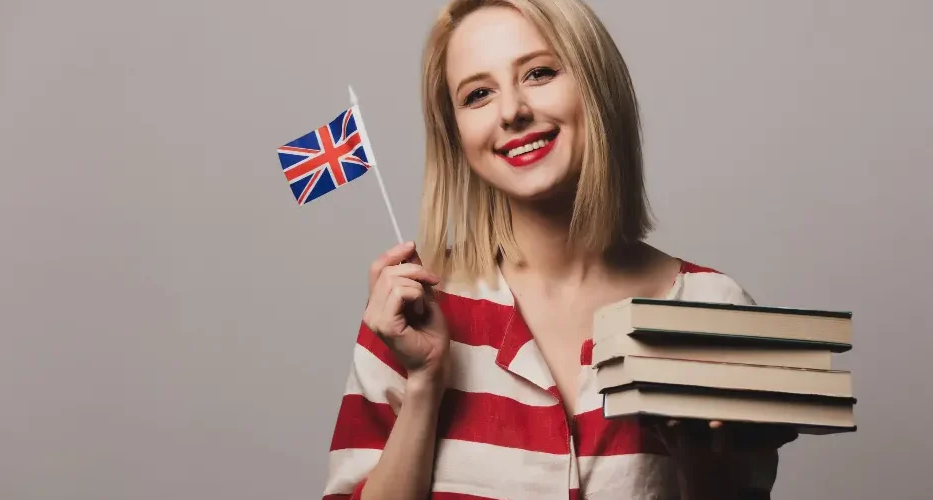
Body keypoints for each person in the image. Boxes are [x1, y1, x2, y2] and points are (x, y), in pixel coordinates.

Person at [321, 0, 796, 498]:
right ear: (456, 134)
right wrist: (424, 384)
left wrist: (703, 464)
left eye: (539, 73)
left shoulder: (708, 306)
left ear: (595, 84)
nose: (512, 112)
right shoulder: (411, 309)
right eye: (478, 94)